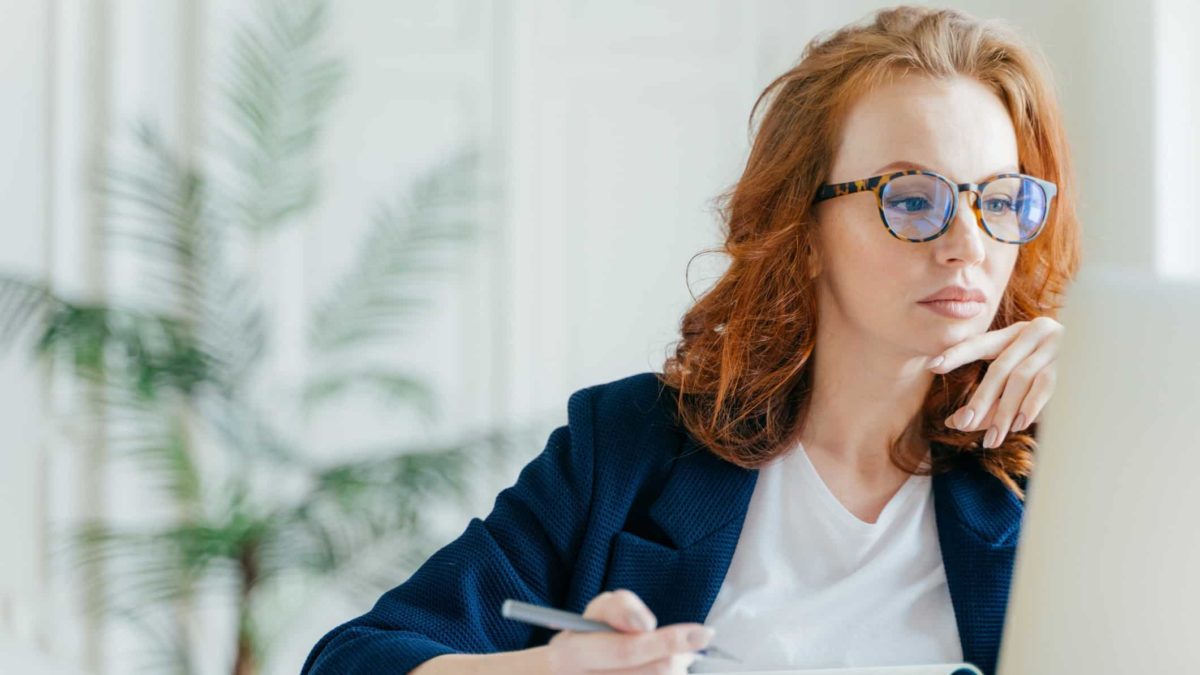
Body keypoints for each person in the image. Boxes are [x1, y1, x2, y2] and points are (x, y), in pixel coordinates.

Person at [300, 5, 1080, 675]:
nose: (968, 245)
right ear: (801, 230)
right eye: (912, 200)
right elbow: (353, 659)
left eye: (1000, 200)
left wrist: (1108, 411)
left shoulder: (1067, 467)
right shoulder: (631, 447)